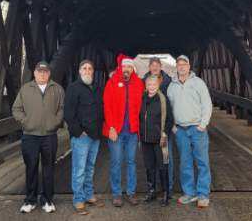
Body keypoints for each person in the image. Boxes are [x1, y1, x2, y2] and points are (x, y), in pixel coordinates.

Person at [12, 60, 65, 214]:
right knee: (31, 168)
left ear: (49, 73)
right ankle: (30, 200)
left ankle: (47, 200)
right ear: (34, 73)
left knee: (49, 169)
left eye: (45, 72)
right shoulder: (26, 89)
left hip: (49, 136)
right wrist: (25, 122)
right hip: (30, 136)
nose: (42, 74)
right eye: (39, 71)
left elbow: (62, 108)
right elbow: (16, 109)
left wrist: (55, 122)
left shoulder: (57, 89)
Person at [167, 54, 213, 209]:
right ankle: (189, 193)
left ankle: (203, 195)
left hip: (197, 128)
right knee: (185, 163)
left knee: (202, 162)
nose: (181, 67)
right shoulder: (172, 86)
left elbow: (207, 104)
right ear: (176, 67)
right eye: (179, 64)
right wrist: (173, 126)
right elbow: (169, 108)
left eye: (184, 64)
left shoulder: (198, 83)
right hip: (180, 130)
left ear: (189, 66)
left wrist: (203, 124)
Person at [102, 54, 144, 207]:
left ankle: (131, 192)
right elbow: (107, 106)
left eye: (129, 66)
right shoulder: (112, 82)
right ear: (120, 67)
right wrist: (111, 127)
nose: (126, 69)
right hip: (116, 131)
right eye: (124, 66)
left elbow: (142, 107)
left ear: (133, 69)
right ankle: (117, 194)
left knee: (132, 162)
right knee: (116, 162)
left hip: (132, 131)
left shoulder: (139, 84)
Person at [64, 59, 103, 215]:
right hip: (82, 136)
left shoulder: (96, 88)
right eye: (84, 68)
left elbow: (101, 110)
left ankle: (88, 194)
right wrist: (79, 132)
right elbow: (68, 114)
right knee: (79, 169)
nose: (87, 71)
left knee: (90, 167)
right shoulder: (73, 88)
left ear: (93, 71)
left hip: (95, 136)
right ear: (80, 71)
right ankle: (78, 199)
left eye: (90, 68)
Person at [139, 74, 174, 206]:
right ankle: (152, 191)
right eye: (149, 85)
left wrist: (164, 133)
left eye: (154, 85)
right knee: (149, 167)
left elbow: (170, 120)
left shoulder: (163, 99)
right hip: (145, 139)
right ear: (146, 86)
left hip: (160, 139)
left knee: (162, 166)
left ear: (158, 85)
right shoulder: (142, 98)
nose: (151, 87)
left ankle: (165, 194)